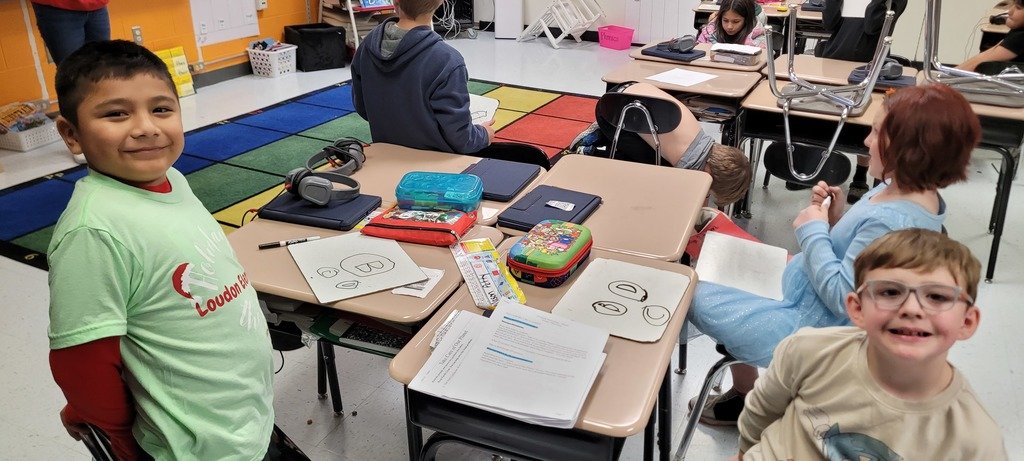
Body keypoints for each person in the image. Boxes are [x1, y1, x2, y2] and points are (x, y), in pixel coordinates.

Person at [686, 84, 980, 426]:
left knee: (691, 293)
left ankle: (748, 396)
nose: (867, 142)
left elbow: (844, 297)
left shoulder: (894, 221)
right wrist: (838, 219)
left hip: (810, 324)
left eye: (875, 133)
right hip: (800, 287)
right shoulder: (906, 191)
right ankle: (744, 392)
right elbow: (866, 259)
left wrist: (814, 230)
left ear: (908, 149)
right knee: (720, 259)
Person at [47, 40, 275, 460]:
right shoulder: (93, 232)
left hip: (238, 419)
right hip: (194, 447)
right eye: (116, 113)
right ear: (71, 134)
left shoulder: (172, 179)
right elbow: (81, 360)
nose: (146, 127)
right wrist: (116, 432)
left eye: (161, 109)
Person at [735, 228, 1008, 460]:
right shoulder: (807, 351)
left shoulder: (976, 441)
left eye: (937, 297)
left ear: (967, 322)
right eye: (890, 292)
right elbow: (759, 414)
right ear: (857, 308)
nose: (911, 308)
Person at [572, 82, 752, 206]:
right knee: (654, 168)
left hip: (619, 94)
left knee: (658, 151)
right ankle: (592, 151)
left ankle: (604, 136)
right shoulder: (690, 166)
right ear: (709, 174)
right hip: (610, 116)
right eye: (710, 190)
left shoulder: (704, 140)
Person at [350, 0, 494, 154]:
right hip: (433, 166)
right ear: (440, 3)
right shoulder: (447, 60)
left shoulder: (366, 46)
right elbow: (461, 138)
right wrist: (483, 135)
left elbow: (362, 107)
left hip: (386, 153)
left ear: (395, 2)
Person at [815, 0, 908, 202]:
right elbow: (828, 24)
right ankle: (818, 165)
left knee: (866, 124)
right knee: (825, 118)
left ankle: (860, 173)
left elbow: (872, 25)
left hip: (871, 66)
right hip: (833, 61)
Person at [31, 0, 111, 164]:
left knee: (102, 70)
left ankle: (105, 133)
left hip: (97, 5)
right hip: (58, 7)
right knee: (71, 75)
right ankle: (78, 140)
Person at [959, 0, 1024, 73]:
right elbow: (988, 54)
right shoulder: (1018, 31)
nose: (1010, 12)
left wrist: (947, 79)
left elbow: (979, 62)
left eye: (1018, 8)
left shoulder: (1021, 37)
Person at [696, 0, 767, 48]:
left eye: (736, 21)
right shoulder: (709, 31)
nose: (729, 26)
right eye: (725, 20)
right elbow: (699, 53)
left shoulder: (757, 38)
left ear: (746, 20)